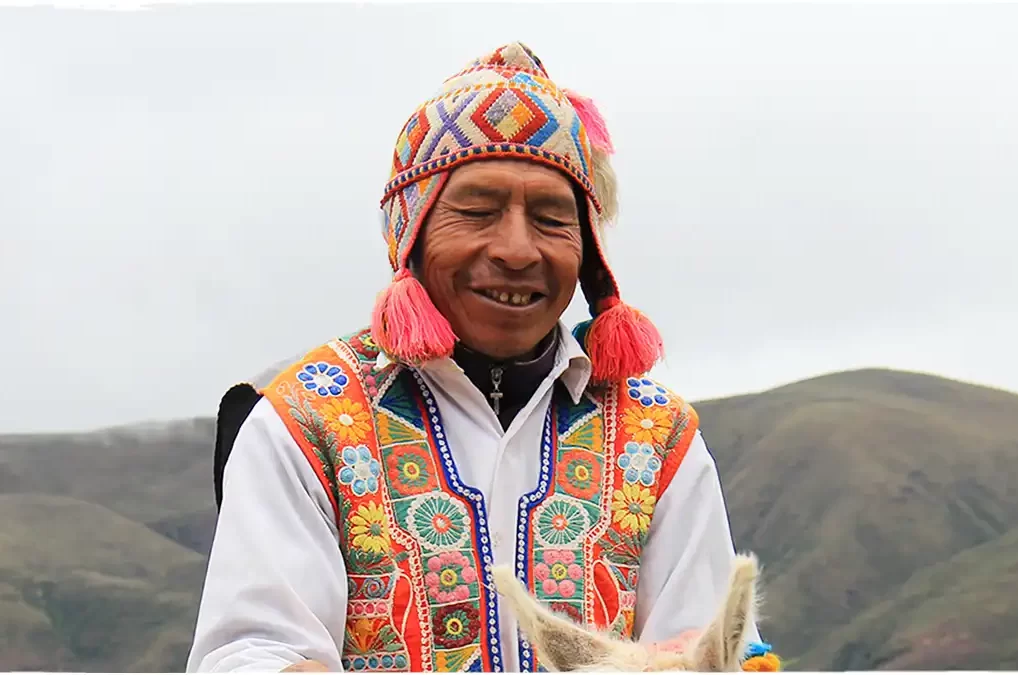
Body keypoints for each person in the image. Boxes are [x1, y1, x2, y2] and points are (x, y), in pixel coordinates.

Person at [187, 42, 779, 673]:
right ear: (410, 233)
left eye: (553, 219)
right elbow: (252, 651)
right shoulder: (306, 423)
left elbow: (706, 648)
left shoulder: (657, 440)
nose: (518, 250)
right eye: (477, 211)